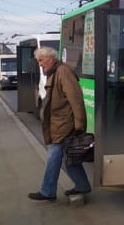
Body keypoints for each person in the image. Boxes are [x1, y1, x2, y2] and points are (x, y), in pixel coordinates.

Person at [28, 47, 91, 201]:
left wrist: (79, 125)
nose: (40, 64)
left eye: (41, 60)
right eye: (38, 61)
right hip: (58, 124)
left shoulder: (63, 72)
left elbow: (76, 99)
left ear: (50, 58)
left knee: (54, 157)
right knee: (69, 157)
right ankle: (82, 185)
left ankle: (47, 191)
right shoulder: (55, 72)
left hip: (64, 125)